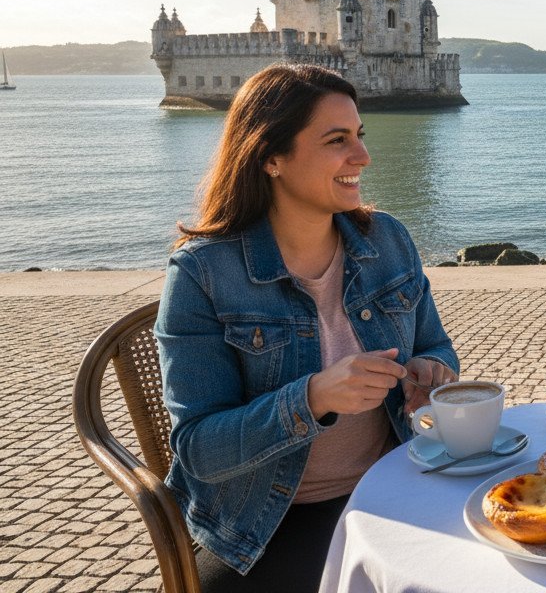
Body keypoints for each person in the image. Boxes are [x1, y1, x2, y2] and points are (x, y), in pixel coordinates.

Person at [155, 64, 459, 592]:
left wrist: (432, 372)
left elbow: (435, 344)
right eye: (337, 140)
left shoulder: (387, 239)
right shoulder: (203, 273)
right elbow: (199, 451)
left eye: (359, 136)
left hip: (393, 490)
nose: (362, 156)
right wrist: (312, 398)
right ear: (270, 157)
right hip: (264, 526)